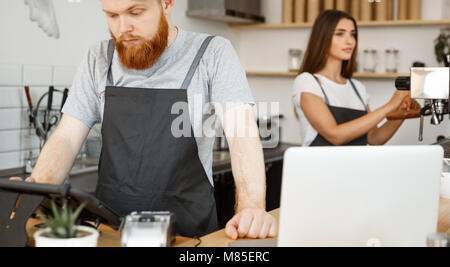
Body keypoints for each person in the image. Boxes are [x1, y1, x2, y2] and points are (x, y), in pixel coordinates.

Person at [11, 0, 277, 240]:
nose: (123, 27)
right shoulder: (98, 59)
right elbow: (67, 136)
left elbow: (242, 133)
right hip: (111, 233)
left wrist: (252, 207)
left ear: (167, 4)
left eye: (135, 12)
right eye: (111, 15)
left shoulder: (212, 53)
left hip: (187, 235)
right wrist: (36, 190)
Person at [292, 10, 412, 147]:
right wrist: (390, 106)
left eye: (353, 34)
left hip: (355, 167)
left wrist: (401, 112)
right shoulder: (307, 82)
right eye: (340, 34)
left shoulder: (357, 87)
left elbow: (374, 138)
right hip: (320, 167)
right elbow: (335, 136)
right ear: (322, 38)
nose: (350, 41)